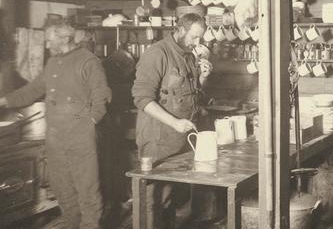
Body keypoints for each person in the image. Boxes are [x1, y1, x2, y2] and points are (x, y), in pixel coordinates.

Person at [0, 23, 111, 229]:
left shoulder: (88, 61)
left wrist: (89, 123)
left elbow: (101, 98)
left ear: (65, 39)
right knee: (62, 190)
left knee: (87, 189)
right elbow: (32, 90)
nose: (47, 44)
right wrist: (4, 101)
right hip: (55, 137)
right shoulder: (52, 63)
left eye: (50, 40)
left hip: (80, 136)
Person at [131, 13, 213, 226]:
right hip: (157, 139)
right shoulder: (157, 53)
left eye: (200, 38)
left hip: (179, 141)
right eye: (194, 37)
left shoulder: (187, 55)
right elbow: (141, 98)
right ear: (180, 30)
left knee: (169, 199)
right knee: (151, 200)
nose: (198, 43)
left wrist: (203, 78)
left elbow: (191, 95)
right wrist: (175, 123)